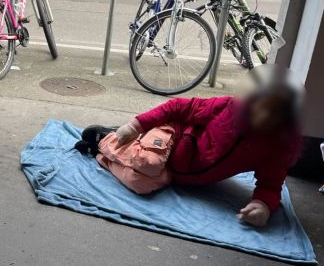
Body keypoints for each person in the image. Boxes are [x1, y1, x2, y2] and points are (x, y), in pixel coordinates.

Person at [77, 68, 304, 228]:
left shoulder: (279, 146)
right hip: (172, 136)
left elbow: (271, 184)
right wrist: (137, 124)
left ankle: (101, 154)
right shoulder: (226, 107)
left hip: (176, 175)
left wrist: (262, 205)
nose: (262, 115)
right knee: (149, 163)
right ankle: (106, 138)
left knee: (142, 184)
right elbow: (177, 107)